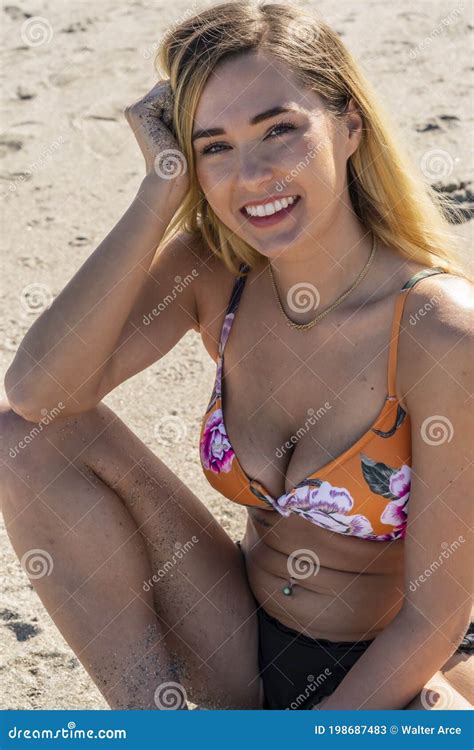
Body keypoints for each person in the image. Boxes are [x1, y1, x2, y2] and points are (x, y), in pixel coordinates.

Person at [1, 1, 472, 710]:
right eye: (212, 145)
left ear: (349, 128)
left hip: (393, 672)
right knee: (24, 438)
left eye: (279, 130)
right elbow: (37, 394)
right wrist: (158, 191)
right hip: (236, 638)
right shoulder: (216, 274)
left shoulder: (442, 334)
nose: (251, 175)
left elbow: (436, 617)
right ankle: (156, 728)